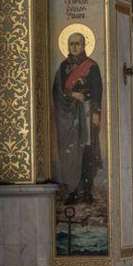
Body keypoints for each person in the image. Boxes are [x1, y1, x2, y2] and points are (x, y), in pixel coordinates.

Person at [52, 32, 103, 203]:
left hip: (86, 115)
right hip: (68, 117)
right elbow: (56, 91)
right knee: (70, 153)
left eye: (77, 43)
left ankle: (86, 190)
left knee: (87, 150)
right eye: (71, 43)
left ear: (83, 45)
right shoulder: (63, 67)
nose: (74, 47)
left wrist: (96, 113)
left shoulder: (91, 66)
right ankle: (71, 189)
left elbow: (97, 92)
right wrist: (72, 94)